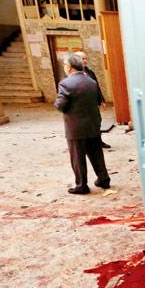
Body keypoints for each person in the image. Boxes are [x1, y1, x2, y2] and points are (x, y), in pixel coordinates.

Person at [54, 53, 111, 194]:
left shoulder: (65, 83)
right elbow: (97, 100)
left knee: (78, 158)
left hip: (75, 127)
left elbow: (60, 105)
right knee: (96, 154)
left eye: (65, 65)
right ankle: (103, 180)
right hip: (92, 125)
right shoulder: (91, 81)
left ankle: (81, 185)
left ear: (68, 67)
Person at [75, 51, 110, 149]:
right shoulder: (73, 74)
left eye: (85, 58)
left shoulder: (90, 72)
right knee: (84, 125)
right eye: (82, 59)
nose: (85, 61)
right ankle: (87, 144)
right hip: (81, 105)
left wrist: (101, 100)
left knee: (97, 122)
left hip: (93, 104)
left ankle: (98, 141)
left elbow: (96, 86)